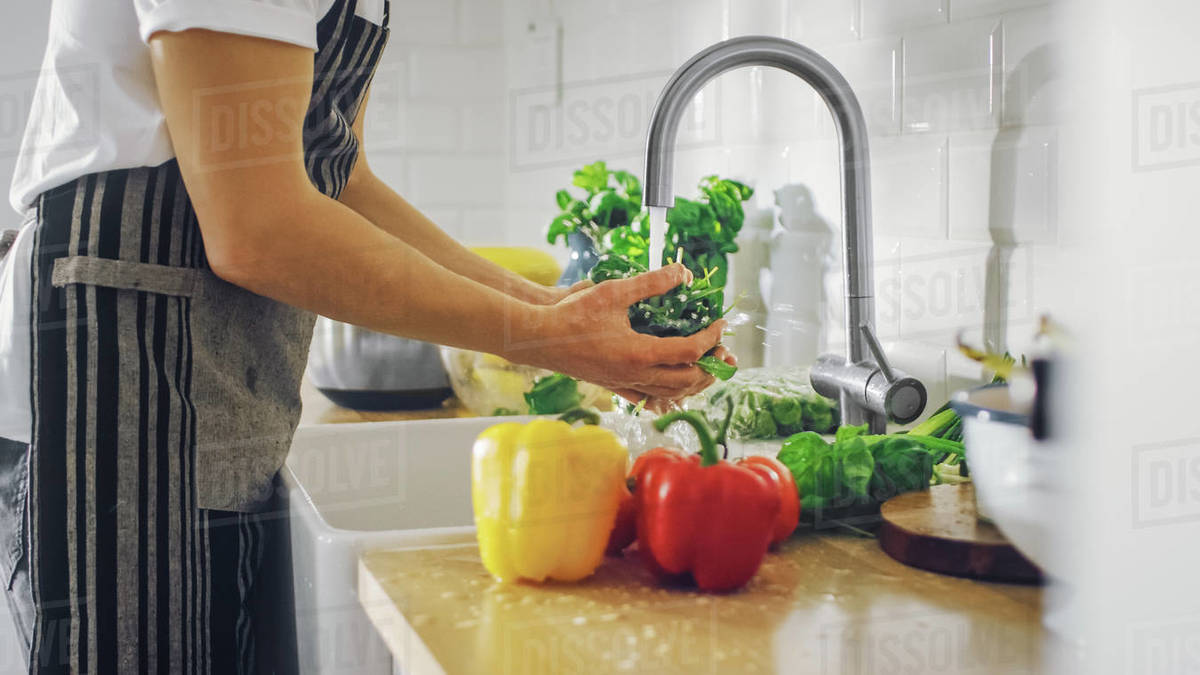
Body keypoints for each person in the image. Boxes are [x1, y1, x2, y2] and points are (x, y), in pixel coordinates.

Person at [0, 0, 731, 671]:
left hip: (211, 397)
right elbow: (257, 225)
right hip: (112, 382)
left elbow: (336, 176)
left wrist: (551, 308)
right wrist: (541, 335)